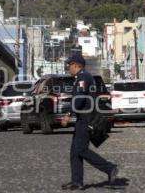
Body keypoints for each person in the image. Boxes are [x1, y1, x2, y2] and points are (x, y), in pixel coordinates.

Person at [61, 55, 118, 190]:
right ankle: (77, 181)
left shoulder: (83, 77)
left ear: (76, 65)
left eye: (70, 65)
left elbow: (79, 98)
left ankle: (110, 168)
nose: (68, 67)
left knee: (81, 149)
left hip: (86, 120)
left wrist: (69, 114)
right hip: (82, 119)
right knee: (75, 152)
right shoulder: (80, 78)